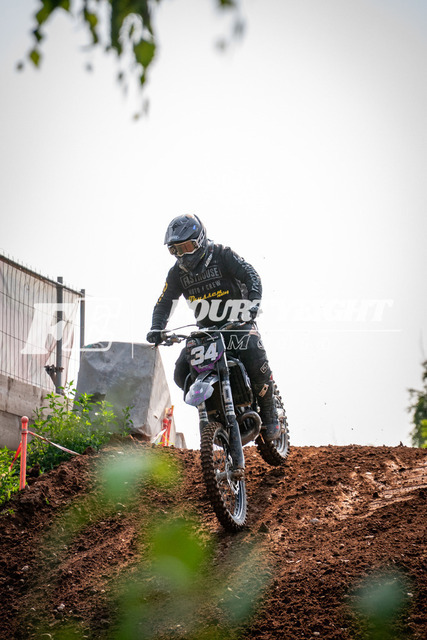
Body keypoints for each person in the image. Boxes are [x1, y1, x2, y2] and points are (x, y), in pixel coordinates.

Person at [146, 214, 280, 441]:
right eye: (175, 250)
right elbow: (164, 302)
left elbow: (251, 275)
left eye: (186, 247)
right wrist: (157, 328)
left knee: (252, 350)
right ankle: (216, 413)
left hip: (237, 323)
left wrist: (253, 303)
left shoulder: (222, 254)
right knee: (181, 372)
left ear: (199, 241)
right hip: (206, 333)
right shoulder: (176, 273)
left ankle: (269, 413)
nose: (182, 255)